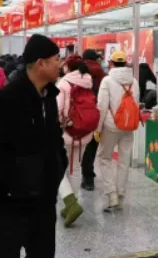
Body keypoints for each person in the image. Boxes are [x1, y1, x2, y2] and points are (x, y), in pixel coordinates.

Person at [0, 35, 67, 258]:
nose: (60, 64)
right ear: (41, 63)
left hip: (43, 204)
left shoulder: (49, 97)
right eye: (56, 59)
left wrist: (58, 166)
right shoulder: (5, 100)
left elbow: (55, 138)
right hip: (8, 206)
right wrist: (15, 180)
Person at [95, 50, 140, 211]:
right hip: (129, 127)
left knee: (103, 157)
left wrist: (98, 128)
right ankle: (121, 195)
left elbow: (102, 106)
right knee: (124, 160)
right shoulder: (134, 81)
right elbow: (136, 103)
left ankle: (111, 194)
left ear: (111, 63)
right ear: (126, 63)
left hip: (111, 126)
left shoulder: (107, 80)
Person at [56, 55, 93, 226]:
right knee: (75, 168)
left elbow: (57, 108)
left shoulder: (63, 83)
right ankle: (73, 204)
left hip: (67, 131)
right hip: (84, 131)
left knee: (57, 167)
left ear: (68, 67)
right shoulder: (88, 82)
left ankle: (71, 204)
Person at [81, 49, 107, 190]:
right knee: (92, 145)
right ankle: (88, 174)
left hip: (81, 113)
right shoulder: (102, 72)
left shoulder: (80, 71)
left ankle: (86, 176)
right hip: (96, 112)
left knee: (82, 146)